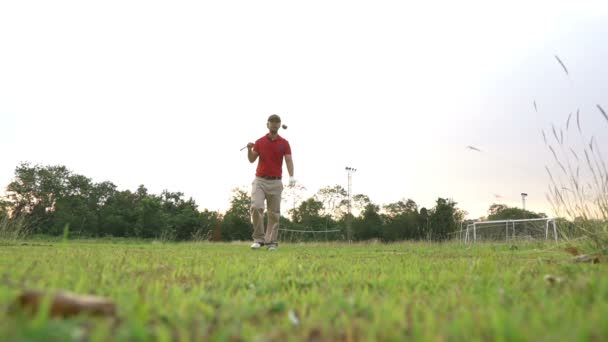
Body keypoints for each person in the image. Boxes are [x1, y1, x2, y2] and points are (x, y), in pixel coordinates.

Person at [246, 114, 295, 251]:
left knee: (274, 213)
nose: (274, 124)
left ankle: (271, 242)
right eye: (271, 122)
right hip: (260, 180)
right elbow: (251, 160)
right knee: (256, 207)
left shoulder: (284, 143)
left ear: (280, 125)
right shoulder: (260, 142)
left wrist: (291, 176)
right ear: (267, 125)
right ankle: (258, 239)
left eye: (276, 122)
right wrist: (249, 149)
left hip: (276, 182)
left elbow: (289, 160)